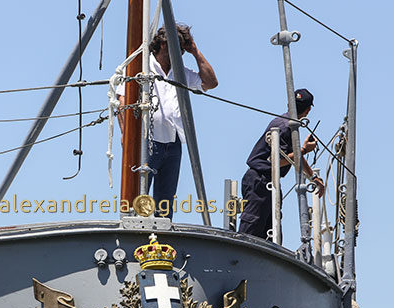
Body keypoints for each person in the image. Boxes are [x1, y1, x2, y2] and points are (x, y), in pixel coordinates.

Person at [117, 24, 218, 219]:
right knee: (138, 199)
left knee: (165, 205)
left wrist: (195, 51)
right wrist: (126, 135)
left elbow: (211, 83)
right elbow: (123, 102)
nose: (181, 53)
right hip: (145, 142)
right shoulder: (141, 66)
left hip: (172, 144)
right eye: (178, 47)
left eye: (183, 49)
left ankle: (160, 243)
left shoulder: (181, 73)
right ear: (164, 44)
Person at [239, 89, 324, 239]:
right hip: (260, 180)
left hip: (266, 181)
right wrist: (303, 149)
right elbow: (276, 160)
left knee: (270, 232)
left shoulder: (287, 124)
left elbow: (294, 157)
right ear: (308, 110)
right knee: (252, 228)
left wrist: (313, 178)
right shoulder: (285, 127)